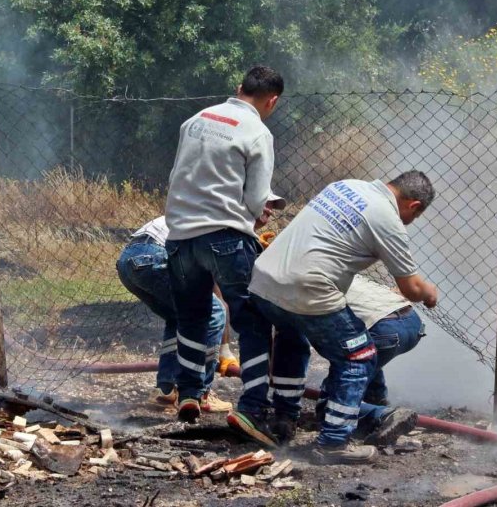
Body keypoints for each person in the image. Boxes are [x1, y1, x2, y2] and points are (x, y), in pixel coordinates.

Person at [242, 172, 439, 464]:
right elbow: (410, 289)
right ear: (414, 205)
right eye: (416, 216)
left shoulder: (345, 186)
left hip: (263, 280)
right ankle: (334, 441)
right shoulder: (388, 219)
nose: (411, 221)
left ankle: (284, 417)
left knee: (290, 333)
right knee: (359, 355)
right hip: (307, 287)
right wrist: (430, 293)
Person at [164, 65, 283, 424]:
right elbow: (257, 197)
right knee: (252, 321)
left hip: (181, 237)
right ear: (272, 101)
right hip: (226, 238)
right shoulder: (257, 132)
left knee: (191, 318)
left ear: (238, 87)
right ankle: (252, 406)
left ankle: (188, 394)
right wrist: (260, 213)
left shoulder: (195, 120)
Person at [116, 216, 231, 412]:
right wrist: (225, 349)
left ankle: (166, 390)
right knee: (214, 312)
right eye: (266, 206)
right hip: (155, 256)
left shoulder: (201, 207)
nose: (268, 212)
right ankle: (202, 393)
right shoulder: (227, 219)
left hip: (128, 261)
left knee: (178, 316)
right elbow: (213, 282)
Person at [346, 275, 426, 406]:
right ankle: (376, 399)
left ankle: (382, 414)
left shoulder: (312, 286)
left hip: (386, 332)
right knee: (369, 356)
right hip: (414, 323)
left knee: (338, 390)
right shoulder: (351, 274)